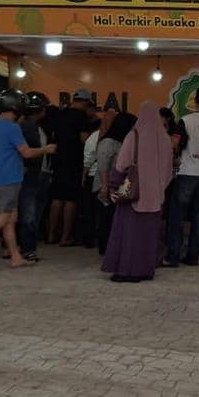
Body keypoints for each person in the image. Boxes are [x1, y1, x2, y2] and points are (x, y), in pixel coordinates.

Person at [0, 90, 55, 273]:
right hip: (8, 180)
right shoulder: (12, 128)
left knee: (9, 221)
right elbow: (26, 152)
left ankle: (15, 257)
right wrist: (46, 149)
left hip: (0, 179)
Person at [103, 103, 175, 282]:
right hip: (156, 197)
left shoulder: (134, 136)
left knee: (129, 233)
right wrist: (158, 188)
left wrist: (113, 186)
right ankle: (146, 270)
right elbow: (169, 171)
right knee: (149, 236)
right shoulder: (166, 139)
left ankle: (127, 271)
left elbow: (121, 164)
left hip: (133, 193)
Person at [163, 87, 199, 268]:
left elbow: (174, 143)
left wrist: (173, 159)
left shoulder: (185, 120)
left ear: (195, 99)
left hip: (187, 171)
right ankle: (192, 257)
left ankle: (173, 256)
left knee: (177, 216)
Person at [48, 89, 95, 247]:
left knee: (57, 198)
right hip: (73, 162)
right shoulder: (80, 116)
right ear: (86, 102)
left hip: (58, 160)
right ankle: (66, 236)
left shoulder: (60, 114)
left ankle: (51, 234)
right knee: (70, 199)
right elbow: (84, 140)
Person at [91, 111, 135, 256]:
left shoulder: (121, 142)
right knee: (106, 218)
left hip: (116, 186)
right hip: (105, 186)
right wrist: (104, 187)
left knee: (112, 218)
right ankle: (105, 248)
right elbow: (103, 166)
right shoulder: (108, 142)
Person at [17, 91, 52, 263]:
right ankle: (27, 248)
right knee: (29, 212)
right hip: (32, 174)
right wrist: (46, 150)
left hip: (32, 173)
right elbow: (30, 152)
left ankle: (20, 246)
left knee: (26, 211)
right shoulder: (29, 127)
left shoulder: (25, 125)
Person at [79, 106, 111, 248]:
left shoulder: (92, 137)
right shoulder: (113, 138)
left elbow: (88, 158)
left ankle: (88, 239)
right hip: (105, 178)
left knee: (89, 210)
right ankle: (103, 241)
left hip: (92, 175)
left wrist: (84, 175)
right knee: (103, 211)